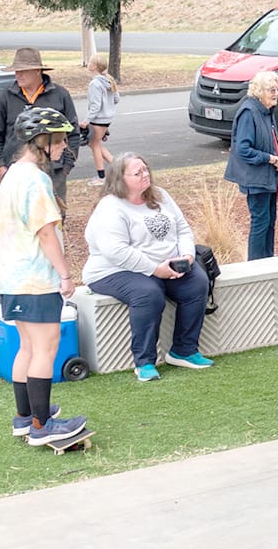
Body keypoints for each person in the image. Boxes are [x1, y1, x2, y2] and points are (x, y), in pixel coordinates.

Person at [0, 106, 87, 445]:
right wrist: (65, 274)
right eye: (59, 140)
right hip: (36, 277)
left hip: (13, 277)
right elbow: (46, 232)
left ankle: (25, 417)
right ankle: (41, 424)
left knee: (27, 346)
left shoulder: (12, 174)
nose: (64, 146)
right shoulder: (35, 179)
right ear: (40, 142)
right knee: (45, 348)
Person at [84, 153, 212, 382]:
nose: (145, 174)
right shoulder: (110, 207)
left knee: (197, 283)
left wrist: (187, 256)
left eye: (145, 169)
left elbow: (182, 229)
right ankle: (144, 362)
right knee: (148, 293)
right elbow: (116, 251)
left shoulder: (160, 195)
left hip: (165, 265)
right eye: (137, 172)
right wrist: (155, 269)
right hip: (114, 270)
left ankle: (184, 350)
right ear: (120, 179)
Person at [0, 47, 80, 202]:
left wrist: (66, 167)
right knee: (19, 214)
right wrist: (2, 168)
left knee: (53, 214)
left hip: (53, 172)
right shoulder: (6, 97)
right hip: (15, 171)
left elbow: (73, 133)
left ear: (38, 71)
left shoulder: (60, 95)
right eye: (16, 71)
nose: (18, 75)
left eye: (23, 70)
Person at [224, 70, 278, 261]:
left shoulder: (267, 111)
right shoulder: (249, 112)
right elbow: (242, 149)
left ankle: (268, 261)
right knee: (260, 222)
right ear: (259, 91)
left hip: (269, 176)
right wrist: (271, 159)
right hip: (255, 178)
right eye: (271, 90)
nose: (276, 94)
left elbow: (273, 140)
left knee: (269, 221)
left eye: (277, 89)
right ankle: (256, 265)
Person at [83, 53, 120, 186]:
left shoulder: (95, 83)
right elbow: (116, 99)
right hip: (107, 118)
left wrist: (86, 121)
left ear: (94, 66)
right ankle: (118, 168)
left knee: (94, 145)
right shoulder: (109, 80)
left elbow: (95, 106)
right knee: (96, 143)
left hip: (97, 119)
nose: (88, 64)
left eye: (90, 62)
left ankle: (101, 177)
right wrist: (107, 106)